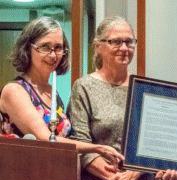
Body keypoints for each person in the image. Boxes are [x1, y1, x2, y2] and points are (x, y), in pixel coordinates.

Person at [68, 16, 177, 180]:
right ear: (98, 46)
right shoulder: (84, 87)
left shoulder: (145, 88)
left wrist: (131, 177)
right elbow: (81, 144)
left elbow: (155, 143)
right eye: (115, 41)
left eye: (129, 41)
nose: (124, 48)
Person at [0, 16, 123, 166]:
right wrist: (97, 148)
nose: (53, 55)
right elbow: (45, 139)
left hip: (54, 177)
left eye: (58, 48)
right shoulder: (14, 90)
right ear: (27, 48)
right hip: (22, 179)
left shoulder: (52, 92)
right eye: (45, 47)